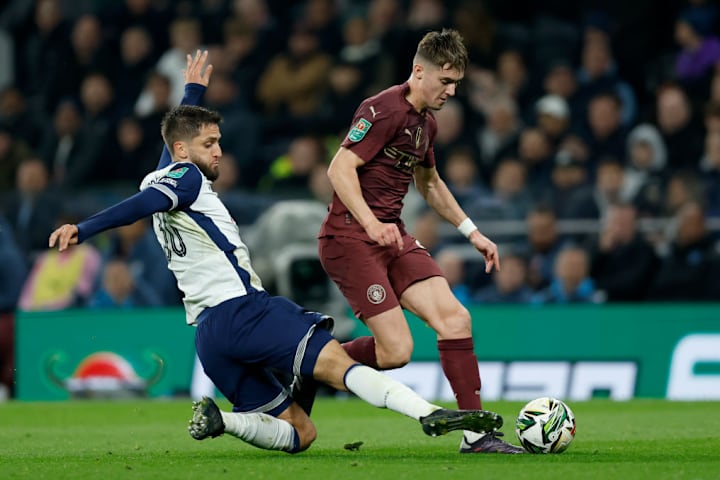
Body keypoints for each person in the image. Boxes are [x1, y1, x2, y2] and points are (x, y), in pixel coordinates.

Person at [48, 50, 506, 455]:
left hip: (208, 333)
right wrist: (85, 228)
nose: (220, 152)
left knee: (300, 433)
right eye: (211, 144)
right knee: (343, 361)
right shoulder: (187, 180)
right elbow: (146, 200)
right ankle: (426, 412)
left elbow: (170, 153)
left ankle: (222, 420)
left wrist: (192, 90)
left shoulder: (166, 172)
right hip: (247, 309)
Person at [317, 29, 523, 454]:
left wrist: (472, 233)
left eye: (456, 84)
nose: (451, 92)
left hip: (392, 237)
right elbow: (339, 169)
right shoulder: (383, 109)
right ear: (418, 71)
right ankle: (311, 365)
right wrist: (373, 224)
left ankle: (477, 435)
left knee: (456, 320)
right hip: (350, 239)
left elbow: (429, 183)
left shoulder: (426, 123)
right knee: (396, 352)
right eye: (445, 82)